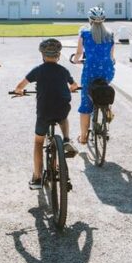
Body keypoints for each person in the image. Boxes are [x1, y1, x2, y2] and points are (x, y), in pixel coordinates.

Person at [13, 38, 80, 189]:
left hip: (44, 111)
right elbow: (74, 85)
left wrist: (20, 92)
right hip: (62, 107)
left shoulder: (38, 70)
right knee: (63, 116)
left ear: (43, 55)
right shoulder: (64, 70)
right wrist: (70, 89)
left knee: (38, 142)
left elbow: (19, 86)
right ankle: (66, 139)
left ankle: (37, 178)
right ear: (58, 55)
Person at [74, 6, 116, 146]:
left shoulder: (84, 33)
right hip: (107, 72)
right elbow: (112, 56)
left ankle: (84, 136)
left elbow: (79, 54)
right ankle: (106, 109)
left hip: (90, 71)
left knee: (86, 103)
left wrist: (75, 60)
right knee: (103, 91)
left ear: (89, 20)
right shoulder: (110, 34)